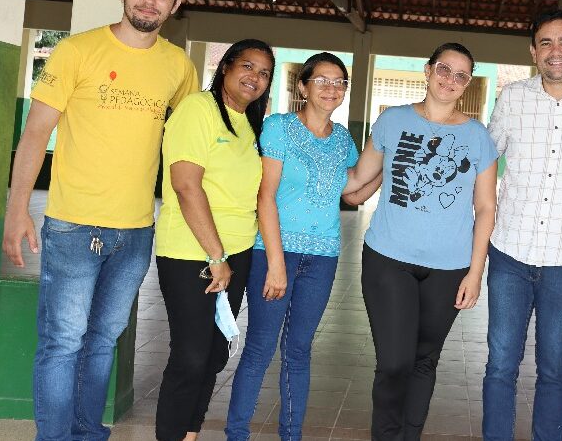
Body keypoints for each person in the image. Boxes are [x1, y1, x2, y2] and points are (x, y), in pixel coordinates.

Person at [1, 0, 197, 441]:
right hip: (72, 225)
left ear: (176, 4)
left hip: (136, 230)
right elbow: (35, 133)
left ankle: (90, 433)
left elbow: (191, 143)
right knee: (63, 343)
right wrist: (17, 209)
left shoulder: (178, 66)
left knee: (103, 340)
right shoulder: (77, 51)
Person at [345, 42, 498, 440]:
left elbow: (486, 207)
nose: (450, 80)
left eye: (461, 75)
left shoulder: (479, 137)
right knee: (394, 362)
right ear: (428, 71)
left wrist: (475, 272)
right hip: (388, 257)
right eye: (444, 70)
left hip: (450, 268)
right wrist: (297, 175)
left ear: (467, 85)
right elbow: (359, 180)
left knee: (424, 361)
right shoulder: (392, 121)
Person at [225, 52, 380, 440]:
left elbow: (350, 192)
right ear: (303, 86)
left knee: (298, 351)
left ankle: (290, 435)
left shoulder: (343, 138)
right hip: (275, 252)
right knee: (260, 349)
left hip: (323, 256)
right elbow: (266, 197)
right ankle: (236, 433)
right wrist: (276, 263)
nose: (332, 89)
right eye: (323, 80)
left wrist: (387, 170)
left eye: (339, 82)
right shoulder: (278, 128)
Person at [483, 9, 562, 441]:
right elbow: (483, 161)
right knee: (501, 362)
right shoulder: (512, 98)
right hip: (510, 254)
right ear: (534, 52)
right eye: (547, 43)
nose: (557, 52)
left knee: (555, 365)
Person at [154, 39, 275, 441]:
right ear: (225, 67)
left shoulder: (248, 123)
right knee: (190, 356)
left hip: (236, 252)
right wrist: (216, 255)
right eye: (247, 66)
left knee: (214, 351)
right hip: (193, 253)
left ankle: (189, 433)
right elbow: (187, 186)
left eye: (263, 73)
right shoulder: (197, 109)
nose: (254, 77)